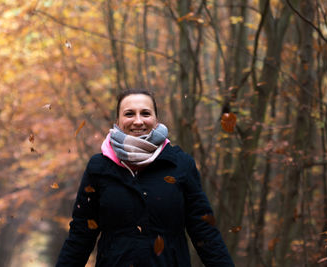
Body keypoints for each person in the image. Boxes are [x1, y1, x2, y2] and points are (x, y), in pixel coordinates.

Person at [56, 89, 234, 266]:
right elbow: (81, 234)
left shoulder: (180, 164)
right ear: (117, 121)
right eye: (129, 114)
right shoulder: (99, 167)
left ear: (156, 121)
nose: (138, 121)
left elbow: (204, 231)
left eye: (146, 113)